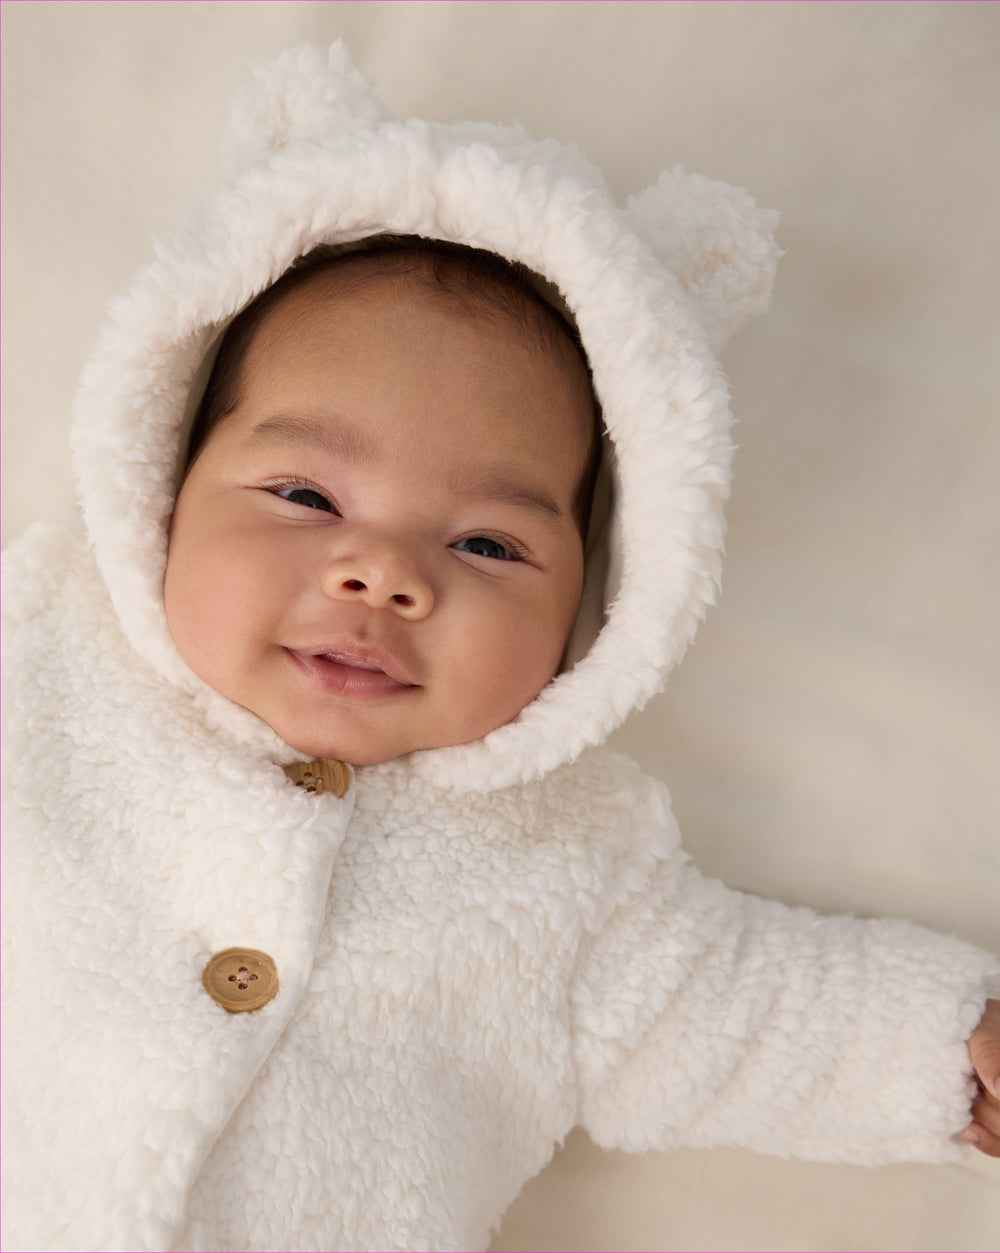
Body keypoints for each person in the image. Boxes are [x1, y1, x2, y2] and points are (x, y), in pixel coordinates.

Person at [2, 41, 997, 1253]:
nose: (384, 574)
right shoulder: (40, 655)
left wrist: (947, 1044)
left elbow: (745, 1003)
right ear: (161, 474)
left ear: (605, 600)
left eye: (485, 543)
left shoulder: (570, 864)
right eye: (305, 496)